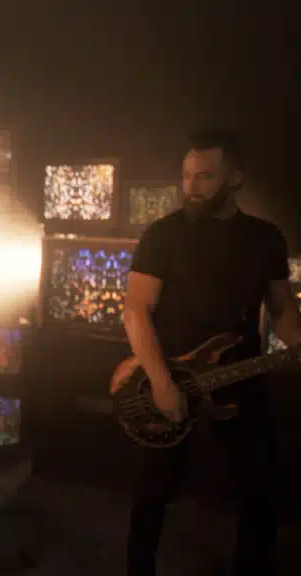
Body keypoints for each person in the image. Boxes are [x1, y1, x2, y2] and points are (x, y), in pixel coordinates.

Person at [122, 129, 299, 576]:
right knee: (152, 494)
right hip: (173, 377)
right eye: (187, 175)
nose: (192, 186)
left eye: (204, 176)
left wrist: (296, 343)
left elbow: (283, 311)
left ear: (234, 177)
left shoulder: (265, 238)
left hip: (241, 378)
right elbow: (136, 311)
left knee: (261, 492)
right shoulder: (163, 235)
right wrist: (161, 382)